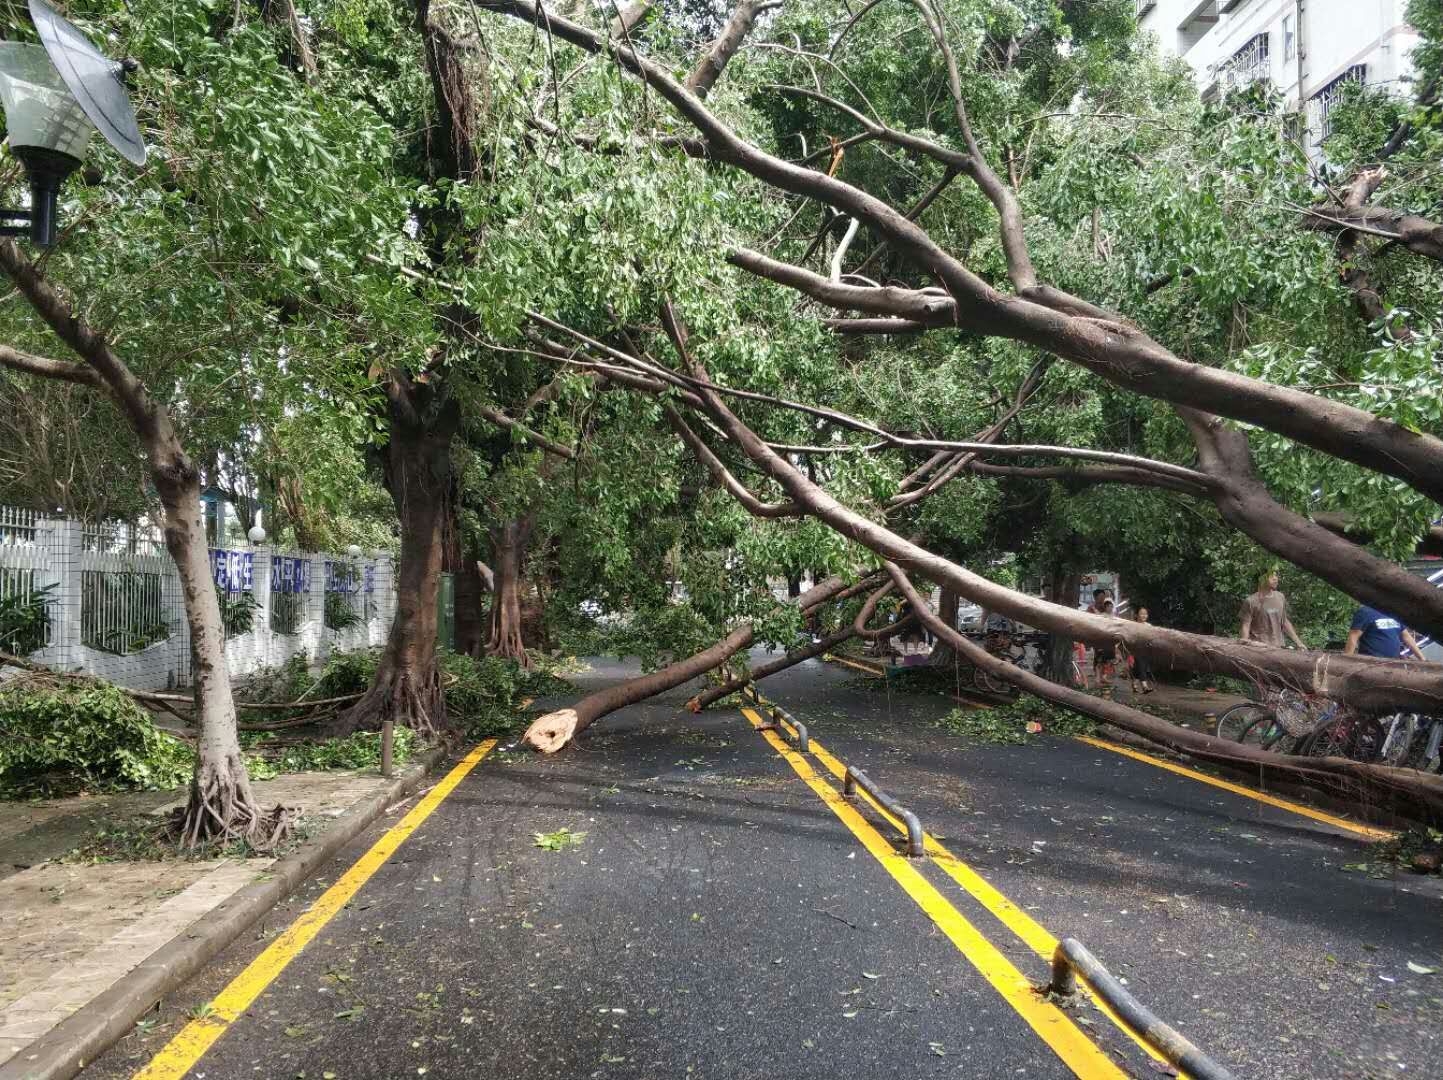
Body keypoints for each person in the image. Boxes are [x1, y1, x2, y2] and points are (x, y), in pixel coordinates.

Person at [1239, 569, 1306, 649]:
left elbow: (1284, 621)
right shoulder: (1250, 601)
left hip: (1279, 648)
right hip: (1258, 649)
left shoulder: (1280, 596)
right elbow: (1245, 626)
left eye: (1276, 575)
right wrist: (1245, 644)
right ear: (1261, 579)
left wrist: (1299, 643)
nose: (1275, 578)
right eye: (1271, 576)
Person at [1344, 605, 1428, 661]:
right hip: (1371, 663)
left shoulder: (1393, 612)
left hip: (1393, 662)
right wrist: (1348, 661)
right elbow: (1353, 636)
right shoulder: (1365, 612)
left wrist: (1422, 659)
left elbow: (1406, 637)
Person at [1125, 606, 1157, 694]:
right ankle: (1144, 686)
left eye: (1145, 614)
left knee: (1139, 668)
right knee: (1142, 666)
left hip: (1146, 649)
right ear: (1137, 615)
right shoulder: (1133, 625)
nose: (1144, 615)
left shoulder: (1149, 626)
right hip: (1136, 649)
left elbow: (1152, 637)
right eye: (1142, 613)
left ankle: (1134, 684)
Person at [1093, 599, 1118, 687]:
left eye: (1111, 606)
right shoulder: (1102, 616)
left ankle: (1104, 677)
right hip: (1101, 641)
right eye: (1108, 606)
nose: (1110, 608)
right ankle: (1097, 679)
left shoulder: (1114, 617)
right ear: (1105, 607)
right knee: (1099, 661)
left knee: (1107, 661)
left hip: (1110, 641)